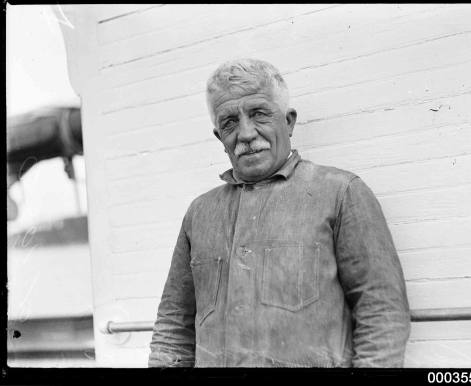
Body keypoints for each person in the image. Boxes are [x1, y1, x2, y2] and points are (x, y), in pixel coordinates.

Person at [148, 58, 411, 368]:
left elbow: (382, 313)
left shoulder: (340, 192)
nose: (245, 133)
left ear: (288, 121)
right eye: (229, 122)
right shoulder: (200, 213)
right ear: (220, 138)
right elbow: (173, 326)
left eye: (259, 113)